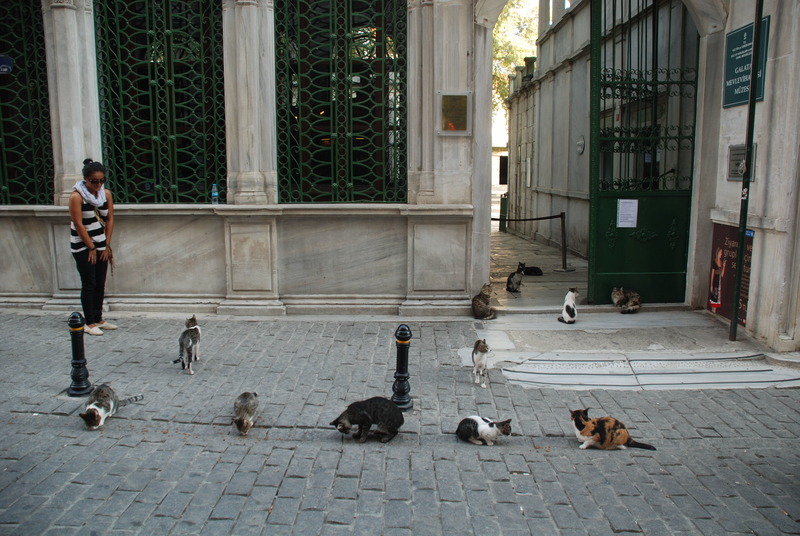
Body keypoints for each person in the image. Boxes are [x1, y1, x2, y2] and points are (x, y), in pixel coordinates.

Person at [69, 159, 117, 336]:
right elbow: (78, 224)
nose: (98, 184)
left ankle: (98, 318)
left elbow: (110, 218)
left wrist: (106, 244)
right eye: (94, 181)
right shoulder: (77, 196)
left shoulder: (105, 194)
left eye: (101, 180)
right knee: (89, 283)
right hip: (83, 246)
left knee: (100, 283)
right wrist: (91, 246)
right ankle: (89, 322)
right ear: (85, 179)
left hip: (102, 245)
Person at [708, 246, 726, 313]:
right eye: (721, 252)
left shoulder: (720, 262)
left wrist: (724, 266)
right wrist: (711, 285)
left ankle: (714, 312)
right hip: (715, 281)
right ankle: (713, 312)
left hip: (719, 282)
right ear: (718, 253)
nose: (721, 254)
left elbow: (722, 275)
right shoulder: (714, 262)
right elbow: (713, 274)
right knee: (714, 298)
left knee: (717, 298)